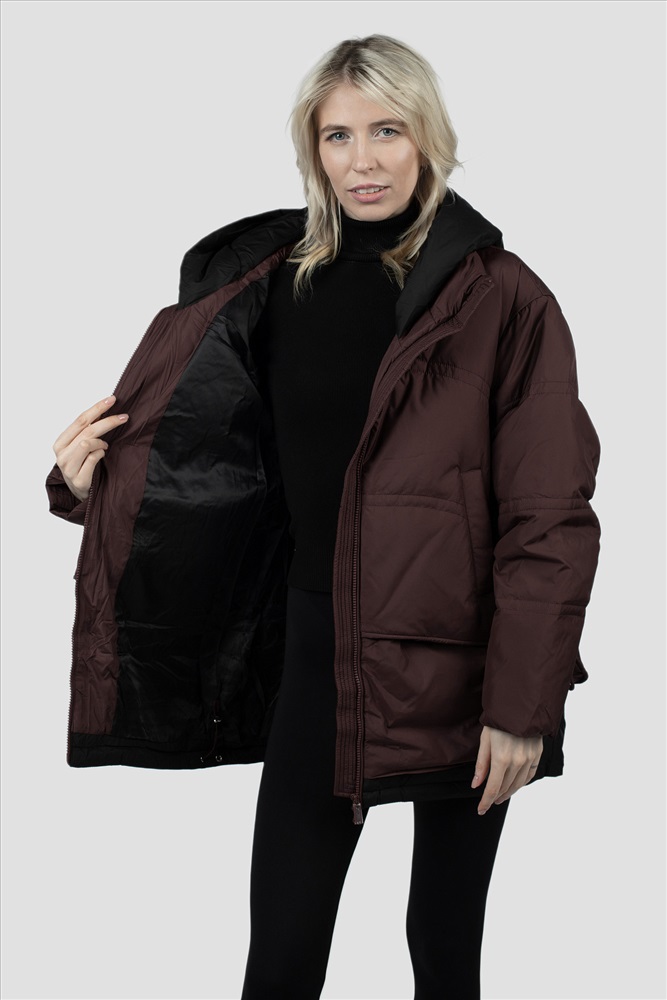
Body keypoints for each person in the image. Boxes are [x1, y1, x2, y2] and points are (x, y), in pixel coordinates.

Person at [46, 34, 601, 1000]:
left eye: (386, 131)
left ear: (427, 138)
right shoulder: (270, 282)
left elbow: (548, 517)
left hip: (463, 668)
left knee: (444, 951)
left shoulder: (502, 298)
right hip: (318, 656)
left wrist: (522, 708)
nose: (362, 160)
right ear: (312, 148)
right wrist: (90, 487)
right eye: (337, 135)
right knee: (282, 957)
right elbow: (214, 465)